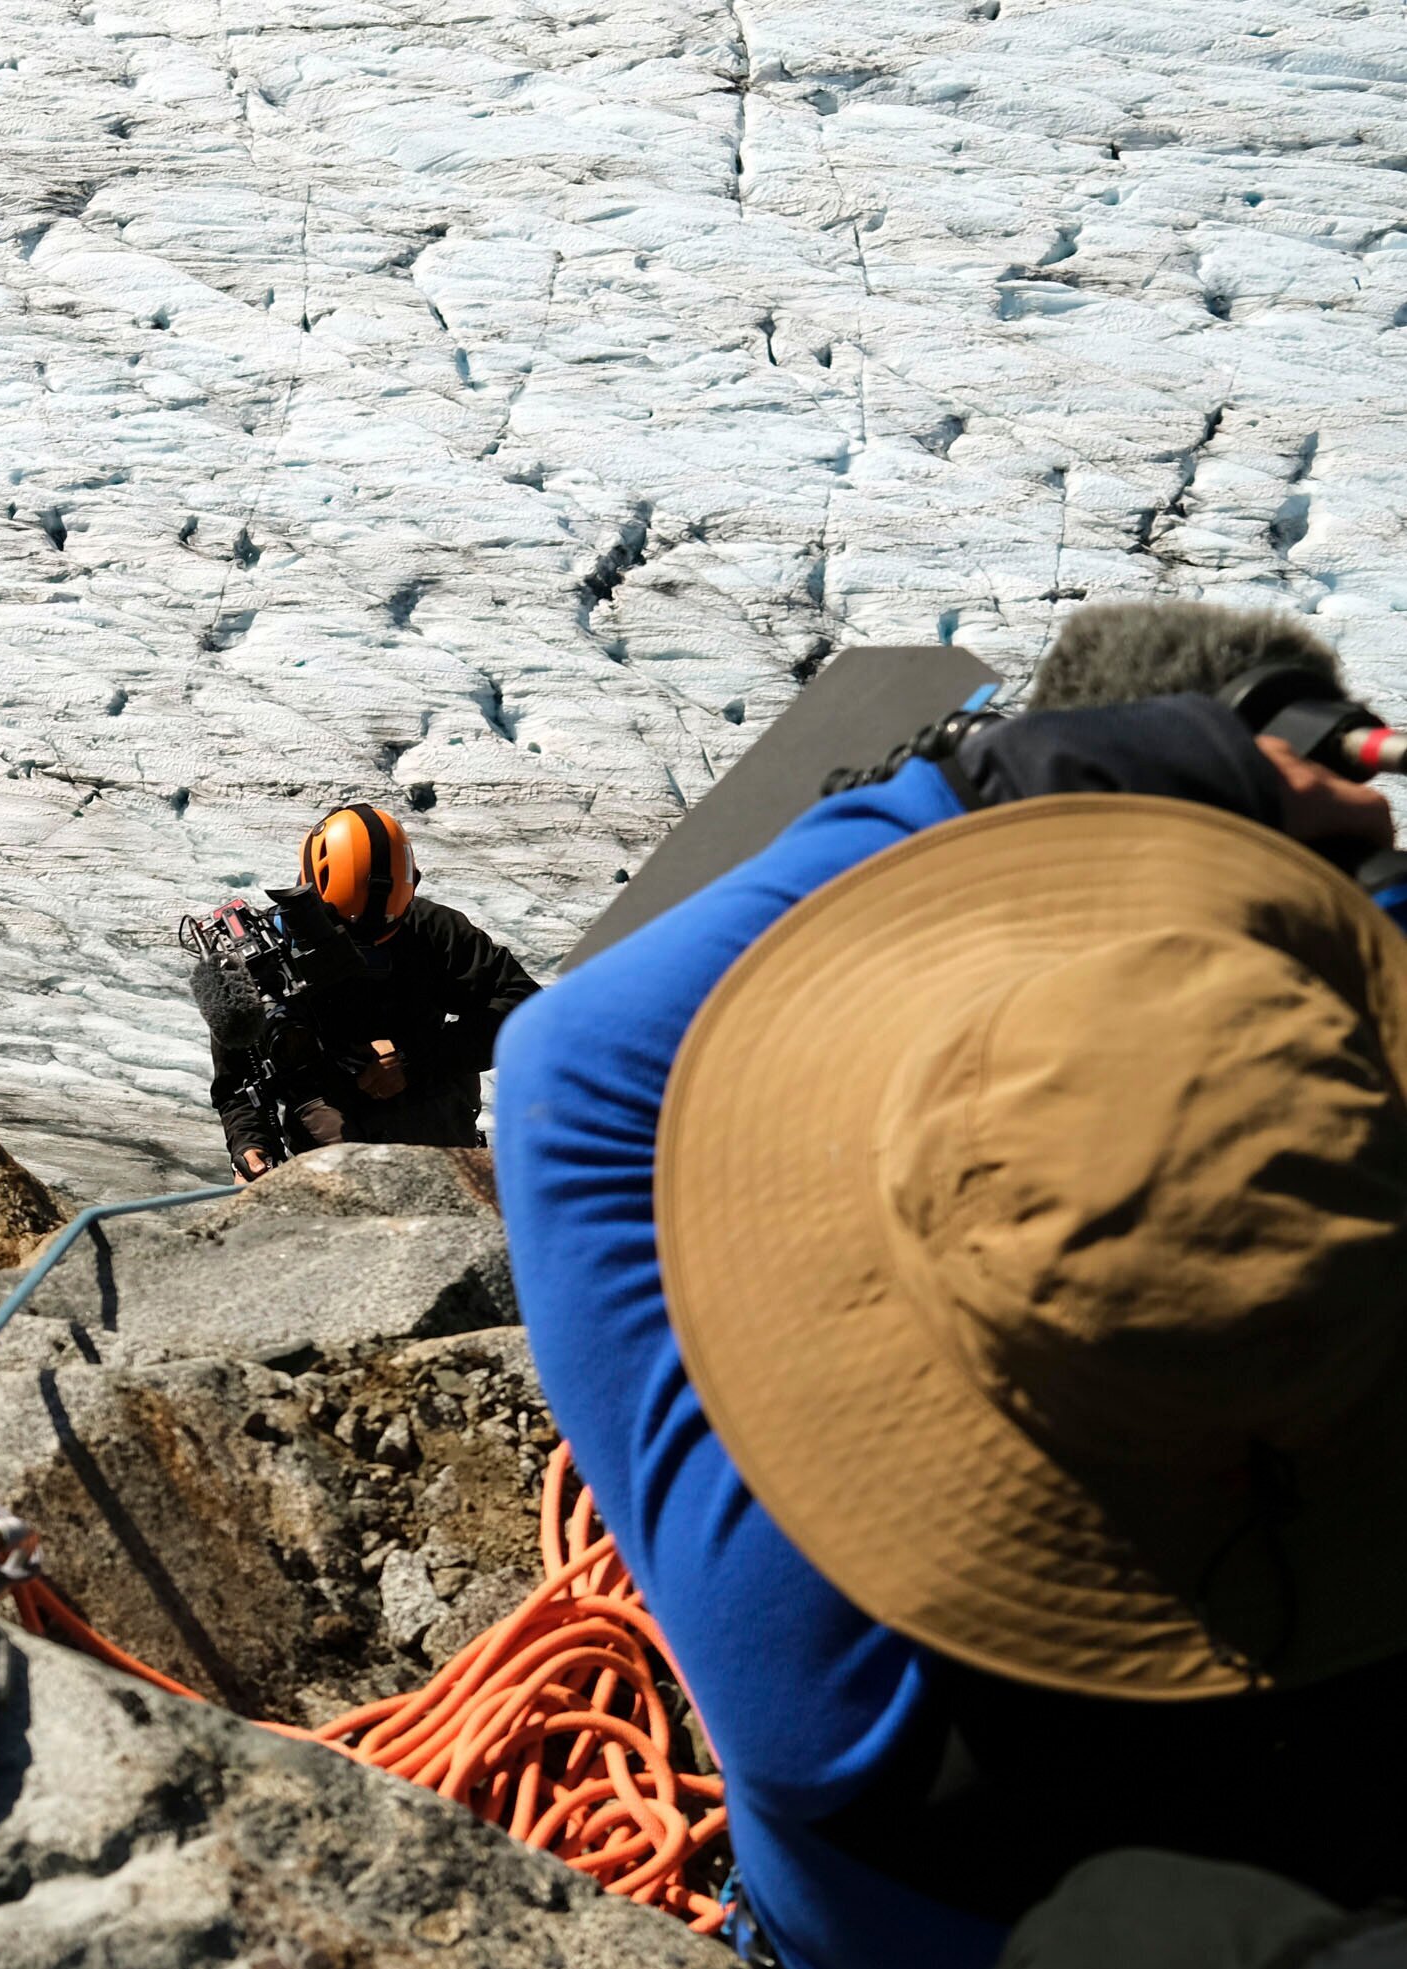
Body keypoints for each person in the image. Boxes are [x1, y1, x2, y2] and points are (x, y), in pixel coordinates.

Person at [494, 603, 1407, 1969]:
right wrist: (1361, 924)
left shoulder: (841, 1702)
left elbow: (575, 1071)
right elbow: (1261, 1127)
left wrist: (993, 791)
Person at [184, 801, 537, 1179]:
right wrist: (250, 1147)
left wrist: (416, 1059)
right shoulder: (260, 957)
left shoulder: (432, 930)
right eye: (344, 937)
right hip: (332, 1152)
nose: (361, 951)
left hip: (435, 1135)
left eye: (382, 937)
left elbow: (528, 1012)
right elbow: (239, 1081)